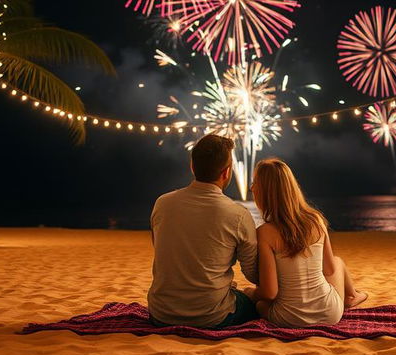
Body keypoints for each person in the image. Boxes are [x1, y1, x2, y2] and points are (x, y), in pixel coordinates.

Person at [148, 134, 259, 328]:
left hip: (160, 314)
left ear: (192, 166)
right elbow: (252, 274)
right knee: (254, 302)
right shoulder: (238, 215)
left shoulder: (162, 203)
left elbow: (160, 249)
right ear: (226, 172)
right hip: (214, 316)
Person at [244, 158, 367, 327]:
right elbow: (329, 270)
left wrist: (250, 293)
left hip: (288, 318)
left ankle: (352, 296)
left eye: (255, 183)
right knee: (337, 262)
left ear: (266, 192)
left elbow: (270, 292)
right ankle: (352, 296)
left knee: (260, 304)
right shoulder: (316, 220)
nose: (251, 188)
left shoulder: (264, 233)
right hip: (330, 313)